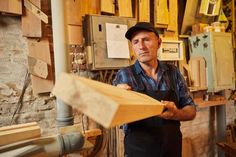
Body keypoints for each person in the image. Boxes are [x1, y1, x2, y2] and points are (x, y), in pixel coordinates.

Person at [112, 22, 196, 157]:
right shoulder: (124, 75)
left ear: (159, 42)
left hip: (172, 150)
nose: (141, 46)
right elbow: (112, 115)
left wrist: (175, 114)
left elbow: (191, 111)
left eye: (146, 40)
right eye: (136, 42)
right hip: (139, 151)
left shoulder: (173, 72)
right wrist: (116, 99)